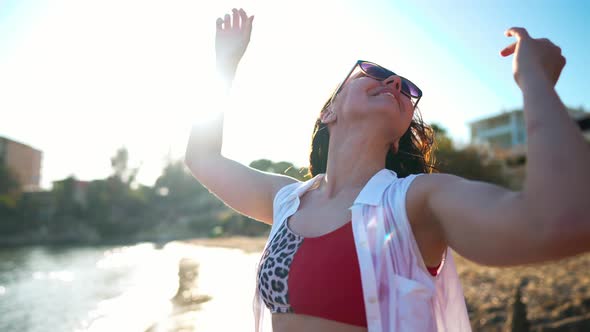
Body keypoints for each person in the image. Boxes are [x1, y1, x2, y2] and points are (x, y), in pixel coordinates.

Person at [184, 8, 590, 332]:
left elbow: (561, 221)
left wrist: (534, 79)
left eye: (408, 90)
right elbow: (202, 159)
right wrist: (224, 64)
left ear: (398, 137)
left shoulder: (416, 202)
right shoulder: (288, 200)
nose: (395, 82)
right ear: (329, 111)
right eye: (375, 74)